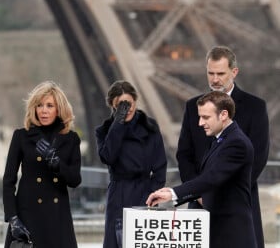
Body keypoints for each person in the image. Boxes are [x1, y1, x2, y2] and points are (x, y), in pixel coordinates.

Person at [176, 46, 269, 247]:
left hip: (237, 203)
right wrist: (198, 193)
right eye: (211, 73)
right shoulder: (193, 107)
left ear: (234, 72)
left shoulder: (255, 107)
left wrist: (219, 194)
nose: (215, 79)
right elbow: (184, 154)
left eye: (220, 73)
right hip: (199, 202)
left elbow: (259, 157)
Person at [147, 91, 257, 248]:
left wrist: (173, 193)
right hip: (221, 231)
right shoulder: (221, 140)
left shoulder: (236, 143)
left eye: (206, 117)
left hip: (232, 235)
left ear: (224, 114)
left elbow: (211, 179)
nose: (200, 123)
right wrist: (176, 196)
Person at [2, 81, 82, 248]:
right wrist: (13, 218)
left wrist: (56, 163)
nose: (43, 110)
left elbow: (75, 179)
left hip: (57, 218)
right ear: (34, 108)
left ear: (59, 109)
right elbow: (8, 181)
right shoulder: (21, 136)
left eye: (49, 105)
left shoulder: (71, 139)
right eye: (39, 105)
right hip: (27, 217)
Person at [95, 80, 167, 248]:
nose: (126, 108)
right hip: (118, 193)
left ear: (135, 101)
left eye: (129, 103)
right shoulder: (104, 130)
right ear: (112, 105)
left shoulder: (150, 127)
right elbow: (107, 157)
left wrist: (151, 196)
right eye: (120, 105)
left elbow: (160, 166)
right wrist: (118, 123)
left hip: (145, 192)